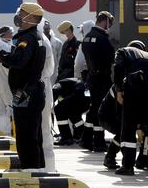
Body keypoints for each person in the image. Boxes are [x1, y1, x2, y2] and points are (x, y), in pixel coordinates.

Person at [0, 2, 46, 172]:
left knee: (26, 139)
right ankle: (39, 178)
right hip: (31, 91)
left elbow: (20, 61)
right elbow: (23, 62)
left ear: (31, 17)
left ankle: (31, 184)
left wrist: (3, 57)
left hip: (27, 94)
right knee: (33, 137)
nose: (18, 16)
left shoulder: (27, 38)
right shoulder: (34, 36)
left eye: (22, 13)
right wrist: (4, 58)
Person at [112, 40, 148, 175]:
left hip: (136, 83)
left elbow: (118, 68)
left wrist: (118, 90)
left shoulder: (123, 51)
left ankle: (128, 166)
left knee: (128, 125)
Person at [81, 11, 115, 152]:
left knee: (93, 108)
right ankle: (99, 142)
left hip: (92, 77)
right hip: (102, 79)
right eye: (110, 23)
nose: (110, 26)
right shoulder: (102, 39)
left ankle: (87, 139)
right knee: (100, 110)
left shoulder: (88, 37)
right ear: (105, 21)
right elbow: (110, 59)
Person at [37, 20, 56, 172]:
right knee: (44, 131)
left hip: (40, 88)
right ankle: (48, 168)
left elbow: (47, 69)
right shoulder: (42, 39)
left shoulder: (39, 40)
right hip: (43, 87)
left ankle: (46, 169)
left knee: (43, 131)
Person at [53, 78, 90, 146]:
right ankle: (84, 135)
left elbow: (53, 96)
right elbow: (62, 100)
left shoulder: (57, 86)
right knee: (72, 113)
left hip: (78, 93)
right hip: (86, 99)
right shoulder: (66, 85)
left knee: (58, 109)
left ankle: (66, 138)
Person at [100, 84, 123, 169]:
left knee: (125, 134)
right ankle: (109, 157)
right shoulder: (120, 88)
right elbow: (120, 110)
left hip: (112, 115)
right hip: (107, 117)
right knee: (123, 134)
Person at [43, 20, 62, 85]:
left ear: (50, 28)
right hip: (42, 72)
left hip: (54, 73)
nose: (46, 31)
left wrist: (59, 74)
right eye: (45, 29)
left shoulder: (57, 42)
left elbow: (60, 59)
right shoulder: (39, 42)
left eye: (47, 28)